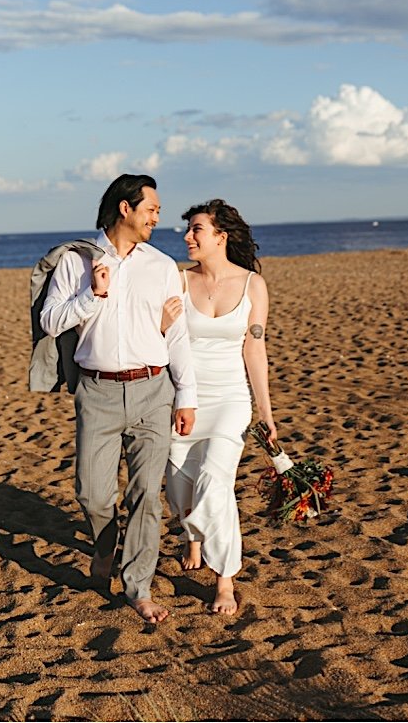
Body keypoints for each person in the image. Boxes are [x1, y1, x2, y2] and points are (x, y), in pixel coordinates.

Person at [39, 174, 197, 624]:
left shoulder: (163, 266)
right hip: (97, 391)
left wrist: (185, 394)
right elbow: (51, 321)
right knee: (91, 494)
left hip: (153, 389)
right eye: (151, 209)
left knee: (147, 495)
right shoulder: (77, 261)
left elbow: (178, 334)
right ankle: (104, 547)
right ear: (124, 209)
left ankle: (139, 587)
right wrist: (93, 293)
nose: (157, 217)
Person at [158, 199, 275, 615]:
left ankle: (224, 579)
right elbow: (158, 341)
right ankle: (193, 537)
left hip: (229, 398)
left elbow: (255, 349)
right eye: (188, 230)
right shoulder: (176, 280)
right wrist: (162, 326)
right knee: (179, 488)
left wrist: (266, 413)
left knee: (214, 479)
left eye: (197, 230)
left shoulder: (251, 285)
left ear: (221, 237)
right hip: (183, 398)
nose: (188, 237)